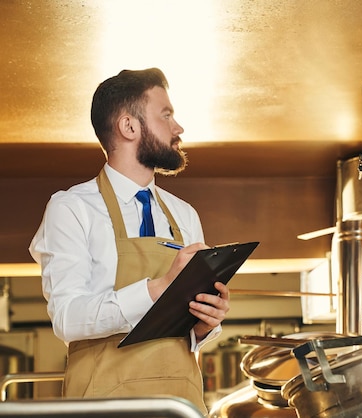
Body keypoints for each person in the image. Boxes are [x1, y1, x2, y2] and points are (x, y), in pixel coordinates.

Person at [29, 68, 229, 415]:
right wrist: (160, 286)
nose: (178, 128)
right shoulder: (72, 209)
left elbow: (191, 338)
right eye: (166, 115)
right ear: (129, 127)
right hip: (104, 407)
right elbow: (67, 318)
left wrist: (205, 322)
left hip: (180, 405)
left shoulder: (184, 215)